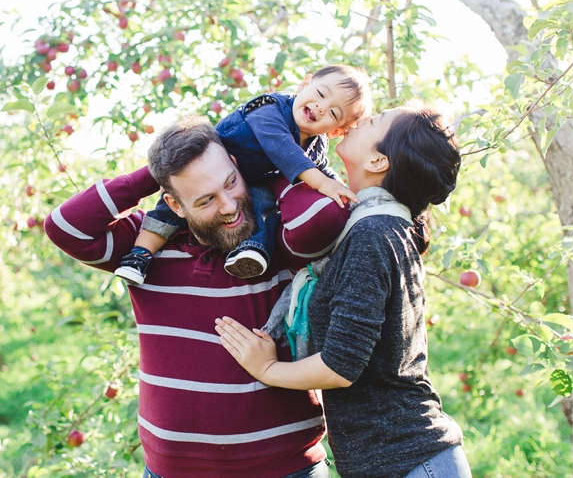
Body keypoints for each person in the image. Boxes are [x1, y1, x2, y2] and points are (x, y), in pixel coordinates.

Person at [45, 116, 352, 478]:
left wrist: (264, 158)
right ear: (174, 205)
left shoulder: (279, 237)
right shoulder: (146, 250)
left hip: (286, 470)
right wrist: (158, 172)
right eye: (205, 199)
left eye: (231, 183)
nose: (228, 206)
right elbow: (64, 226)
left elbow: (325, 215)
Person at [215, 104, 471, 478]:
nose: (365, 117)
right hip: (400, 461)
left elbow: (340, 366)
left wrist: (266, 368)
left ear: (379, 161)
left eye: (377, 120)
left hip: (411, 461)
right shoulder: (378, 227)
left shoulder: (372, 234)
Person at [115, 65, 372, 285]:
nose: (320, 107)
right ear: (306, 83)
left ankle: (251, 251)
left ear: (337, 131)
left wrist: (344, 194)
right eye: (320, 94)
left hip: (245, 182)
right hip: (207, 169)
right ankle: (140, 254)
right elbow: (283, 150)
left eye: (334, 113)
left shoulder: (315, 145)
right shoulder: (270, 109)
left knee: (264, 204)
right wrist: (323, 182)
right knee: (169, 209)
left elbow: (321, 170)